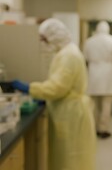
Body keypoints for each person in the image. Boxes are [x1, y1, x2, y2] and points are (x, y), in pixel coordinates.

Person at [11, 18, 96, 170]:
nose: (44, 43)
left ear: (54, 36)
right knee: (67, 159)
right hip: (68, 110)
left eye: (44, 39)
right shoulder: (66, 51)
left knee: (70, 160)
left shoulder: (68, 55)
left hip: (71, 114)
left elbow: (56, 88)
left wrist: (29, 88)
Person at [83, 20, 112, 139]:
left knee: (93, 104)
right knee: (106, 103)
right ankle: (103, 129)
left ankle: (93, 128)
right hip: (108, 72)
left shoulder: (89, 41)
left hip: (93, 72)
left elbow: (86, 57)